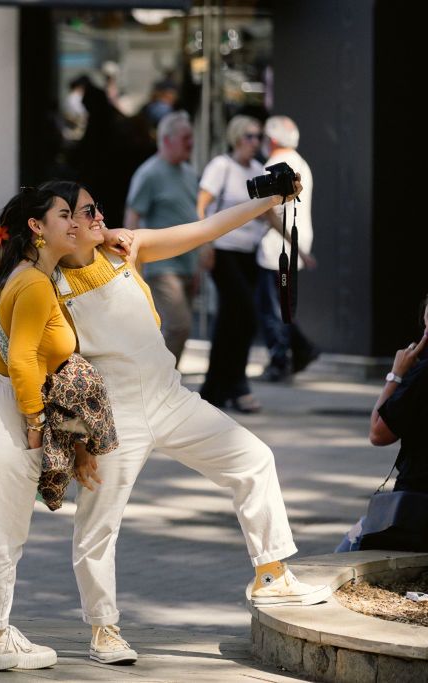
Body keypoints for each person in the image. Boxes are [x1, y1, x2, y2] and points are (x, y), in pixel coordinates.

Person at [40, 177, 330, 667]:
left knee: (255, 459)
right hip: (114, 419)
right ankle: (103, 629)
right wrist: (76, 440)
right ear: (61, 227)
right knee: (97, 526)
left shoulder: (128, 250)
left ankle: (272, 576)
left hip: (171, 397)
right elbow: (48, 364)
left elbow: (206, 227)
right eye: (84, 214)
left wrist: (269, 201)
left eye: (96, 209)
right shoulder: (48, 283)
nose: (97, 219)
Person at [0, 187, 103, 672]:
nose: (75, 223)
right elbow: (26, 360)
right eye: (64, 215)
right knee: (4, 533)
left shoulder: (26, 274)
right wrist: (35, 424)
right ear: (36, 226)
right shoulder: (34, 284)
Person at [337, 300, 428, 552]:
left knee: (344, 553)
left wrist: (396, 375)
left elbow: (378, 433)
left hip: (415, 507)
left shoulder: (422, 376)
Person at [197, 115, 273, 413]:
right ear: (238, 137)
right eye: (250, 136)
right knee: (245, 313)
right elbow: (202, 204)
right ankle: (236, 385)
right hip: (224, 250)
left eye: (259, 137)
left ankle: (216, 389)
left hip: (248, 254)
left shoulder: (257, 170)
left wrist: (296, 248)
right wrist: (205, 243)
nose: (255, 142)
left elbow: (268, 213)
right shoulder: (221, 166)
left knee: (232, 321)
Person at [124, 111, 199, 366]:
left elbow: (196, 215)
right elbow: (132, 219)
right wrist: (131, 267)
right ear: (167, 140)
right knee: (179, 326)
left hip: (188, 264)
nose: (191, 142)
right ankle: (158, 380)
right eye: (185, 137)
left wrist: (203, 255)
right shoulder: (149, 174)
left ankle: (163, 382)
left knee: (178, 328)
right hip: (162, 266)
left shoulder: (189, 172)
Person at [255, 115, 319, 382]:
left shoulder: (273, 166)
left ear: (270, 140)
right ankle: (302, 350)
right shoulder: (300, 162)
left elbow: (267, 212)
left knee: (273, 308)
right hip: (295, 244)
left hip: (276, 249)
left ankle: (281, 360)